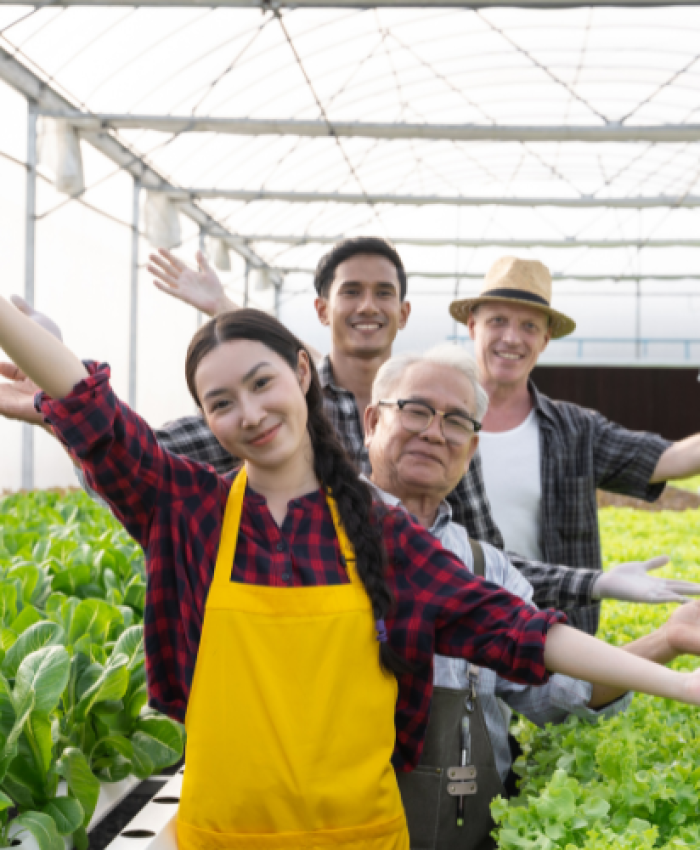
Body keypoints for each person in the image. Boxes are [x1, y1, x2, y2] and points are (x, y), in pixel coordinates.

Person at [4, 297, 700, 848]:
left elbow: (518, 631)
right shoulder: (188, 510)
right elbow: (96, 417)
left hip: (361, 837)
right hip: (221, 835)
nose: (248, 413)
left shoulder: (382, 533)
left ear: (302, 375)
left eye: (261, 383)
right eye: (220, 403)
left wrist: (678, 684)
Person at [1, 244, 698, 617]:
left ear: (405, 313)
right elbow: (140, 462)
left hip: (455, 648)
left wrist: (592, 590)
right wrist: (60, 395)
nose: (432, 432)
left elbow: (472, 565)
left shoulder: (448, 420)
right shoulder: (286, 409)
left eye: (383, 295)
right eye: (351, 294)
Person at [363, 343, 700, 850]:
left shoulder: (487, 568)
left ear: (471, 449)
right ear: (372, 421)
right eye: (416, 411)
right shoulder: (321, 540)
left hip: (463, 833)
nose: (434, 432)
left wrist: (668, 640)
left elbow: (558, 693)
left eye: (456, 421)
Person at [450, 255, 700, 634]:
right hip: (460, 631)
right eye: (497, 321)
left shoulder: (575, 430)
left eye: (529, 326)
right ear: (472, 326)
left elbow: (673, 458)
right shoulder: (436, 422)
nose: (512, 338)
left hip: (556, 636)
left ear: (545, 340)